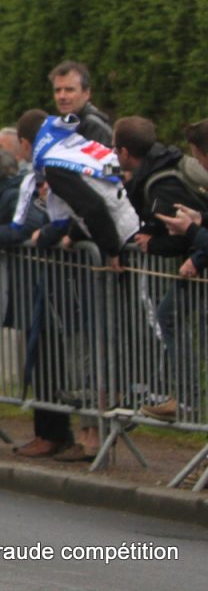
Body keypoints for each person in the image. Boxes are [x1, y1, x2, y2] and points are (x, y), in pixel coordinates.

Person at [11, 108, 138, 462]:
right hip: (123, 224)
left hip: (119, 237)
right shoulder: (70, 145)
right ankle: (101, 429)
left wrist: (111, 250)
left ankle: (104, 431)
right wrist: (71, 233)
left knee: (105, 341)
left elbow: (91, 206)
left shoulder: (53, 161)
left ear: (26, 143)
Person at [113, 116, 208, 421]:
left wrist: (171, 243)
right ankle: (187, 401)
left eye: (197, 155)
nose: (197, 162)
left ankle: (189, 401)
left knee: (170, 316)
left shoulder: (160, 183)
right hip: (198, 259)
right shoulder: (158, 173)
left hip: (199, 262)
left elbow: (180, 238)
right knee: (170, 314)